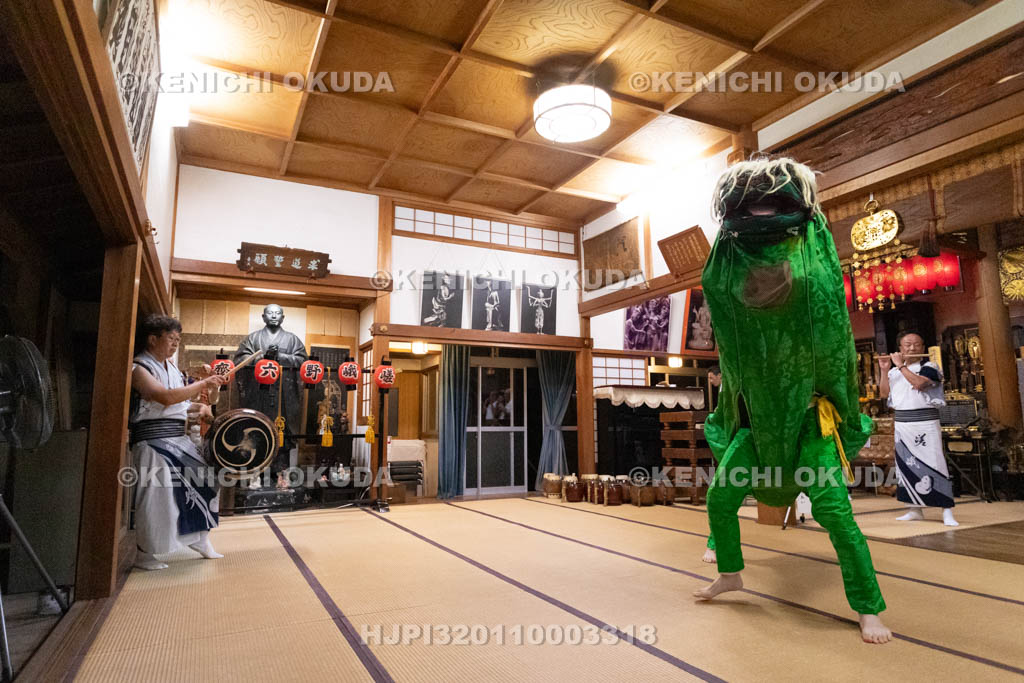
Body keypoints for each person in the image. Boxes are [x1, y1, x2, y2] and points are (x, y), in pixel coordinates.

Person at [695, 157, 890, 644]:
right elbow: (715, 285)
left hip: (808, 422)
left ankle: (868, 608)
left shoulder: (812, 256)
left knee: (836, 516)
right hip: (755, 424)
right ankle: (732, 573)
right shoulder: (729, 261)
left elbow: (829, 314)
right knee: (719, 498)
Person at [130, 314, 228, 570]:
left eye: (177, 340)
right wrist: (202, 384)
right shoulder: (139, 368)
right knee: (157, 498)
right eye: (171, 339)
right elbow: (163, 397)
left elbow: (180, 404)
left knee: (207, 479)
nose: (175, 344)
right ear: (153, 339)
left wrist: (199, 408)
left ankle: (199, 538)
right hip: (153, 442)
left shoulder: (171, 367)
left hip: (177, 439)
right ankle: (145, 553)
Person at [878, 332, 958, 526]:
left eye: (916, 345)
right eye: (907, 345)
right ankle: (914, 509)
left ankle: (946, 510)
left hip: (925, 423)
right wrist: (884, 370)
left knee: (935, 463)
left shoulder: (930, 367)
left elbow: (919, 383)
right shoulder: (895, 372)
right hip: (903, 424)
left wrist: (901, 365)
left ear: (923, 347)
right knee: (906, 466)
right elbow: (884, 393)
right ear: (900, 348)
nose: (912, 348)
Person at [233, 304, 308, 473]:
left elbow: (304, 363)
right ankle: (255, 473)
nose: (274, 316)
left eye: (277, 313)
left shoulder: (292, 340)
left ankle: (280, 473)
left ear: (282, 317)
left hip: (284, 395)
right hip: (258, 394)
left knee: (282, 433)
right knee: (256, 431)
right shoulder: (252, 339)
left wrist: (280, 357)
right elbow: (240, 361)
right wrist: (262, 357)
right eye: (270, 313)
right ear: (263, 317)